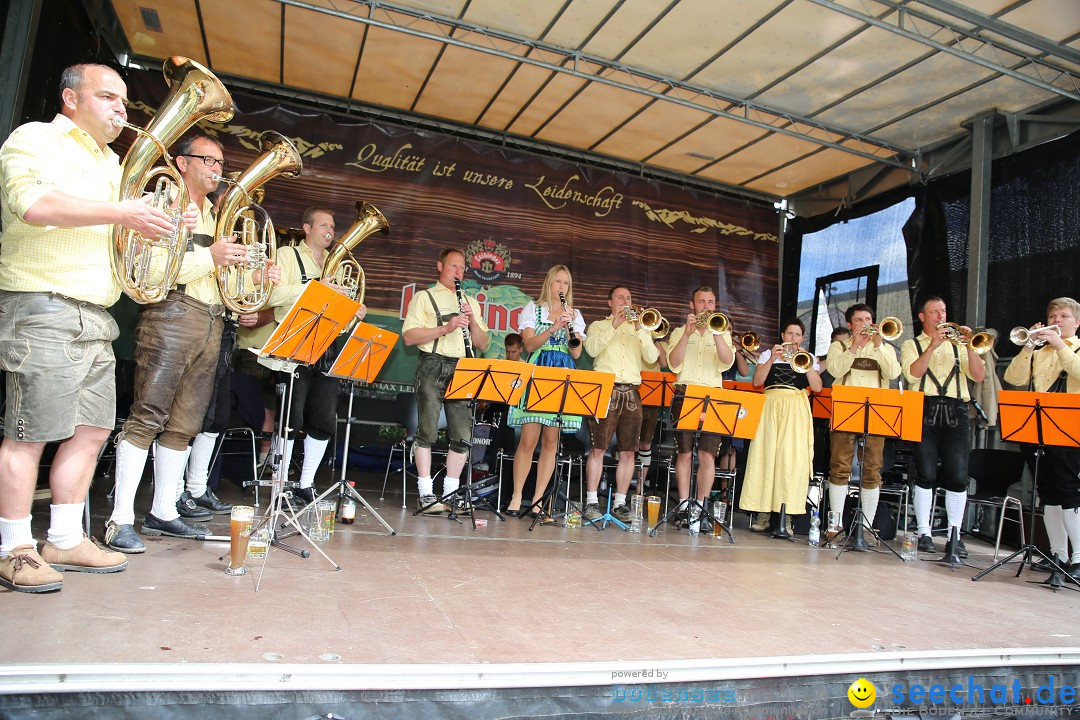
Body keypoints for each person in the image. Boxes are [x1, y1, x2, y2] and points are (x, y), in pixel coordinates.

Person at [0, 63, 198, 591]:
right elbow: (32, 205)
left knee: (90, 433)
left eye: (125, 102)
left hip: (98, 314)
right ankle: (14, 547)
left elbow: (137, 260)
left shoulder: (117, 165)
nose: (121, 110)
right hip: (42, 303)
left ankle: (64, 538)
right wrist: (122, 211)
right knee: (29, 434)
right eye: (108, 97)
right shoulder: (37, 139)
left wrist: (169, 231)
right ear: (70, 99)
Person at [105, 133, 278, 553]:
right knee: (147, 415)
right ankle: (119, 519)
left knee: (185, 424)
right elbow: (148, 267)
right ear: (182, 163)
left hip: (212, 321)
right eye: (209, 160)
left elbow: (223, 279)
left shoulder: (217, 217)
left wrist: (255, 278)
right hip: (172, 313)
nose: (217, 169)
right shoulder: (163, 205)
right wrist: (211, 257)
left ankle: (163, 512)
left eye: (221, 162)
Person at [262, 207, 367, 505]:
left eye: (333, 225)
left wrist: (353, 312)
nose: (330, 230)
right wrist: (316, 288)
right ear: (306, 228)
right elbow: (273, 296)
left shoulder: (340, 265)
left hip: (328, 346)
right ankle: (280, 486)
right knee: (290, 420)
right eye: (323, 224)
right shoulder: (287, 255)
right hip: (295, 344)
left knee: (323, 420)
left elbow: (342, 318)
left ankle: (306, 484)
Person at [402, 248, 489, 513]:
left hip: (462, 367)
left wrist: (472, 321)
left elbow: (483, 343)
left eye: (462, 268)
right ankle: (426, 493)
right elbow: (409, 337)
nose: (458, 272)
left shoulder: (471, 302)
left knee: (462, 435)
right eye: (453, 266)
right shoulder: (424, 297)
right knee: (427, 429)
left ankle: (451, 493)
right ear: (440, 266)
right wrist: (447, 327)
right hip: (432, 363)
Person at [900, 297, 986, 556]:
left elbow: (979, 376)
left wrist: (970, 346)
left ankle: (954, 535)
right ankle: (924, 532)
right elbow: (913, 374)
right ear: (922, 317)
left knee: (958, 475)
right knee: (925, 473)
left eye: (943, 311)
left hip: (956, 411)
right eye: (934, 312)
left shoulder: (959, 345)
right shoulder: (911, 344)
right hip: (924, 409)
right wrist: (932, 347)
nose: (940, 316)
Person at [1003, 297, 1080, 573]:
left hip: (1069, 430)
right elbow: (1014, 378)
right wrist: (1028, 346)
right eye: (1053, 317)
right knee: (1048, 493)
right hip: (1037, 429)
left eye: (1064, 316)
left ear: (1077, 323)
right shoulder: (1039, 351)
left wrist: (1060, 345)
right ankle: (1057, 555)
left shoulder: (1076, 348)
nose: (1056, 321)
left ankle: (1079, 558)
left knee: (1070, 492)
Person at [504, 265, 585, 518]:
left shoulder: (575, 314)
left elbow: (577, 353)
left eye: (566, 283)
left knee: (551, 442)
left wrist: (569, 326)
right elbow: (528, 344)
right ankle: (517, 497)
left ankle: (538, 501)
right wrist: (553, 327)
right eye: (558, 282)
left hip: (562, 374)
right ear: (548, 283)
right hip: (538, 369)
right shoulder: (534, 309)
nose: (562, 287)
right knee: (528, 441)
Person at [581, 287, 659, 523]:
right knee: (598, 448)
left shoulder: (640, 329)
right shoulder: (599, 326)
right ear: (610, 303)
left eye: (629, 298)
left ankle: (620, 503)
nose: (626, 302)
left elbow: (653, 357)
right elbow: (591, 350)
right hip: (606, 389)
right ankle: (592, 501)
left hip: (632, 392)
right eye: (620, 298)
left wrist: (640, 330)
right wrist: (614, 325)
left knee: (628, 451)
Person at [825, 304, 901, 540]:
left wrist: (878, 344)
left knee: (872, 471)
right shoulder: (838, 346)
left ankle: (866, 528)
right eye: (859, 320)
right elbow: (835, 369)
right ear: (850, 324)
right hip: (846, 410)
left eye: (868, 319)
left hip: (876, 413)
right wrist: (855, 346)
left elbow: (893, 373)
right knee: (839, 468)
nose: (865, 324)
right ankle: (834, 525)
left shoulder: (885, 348)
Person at [739, 319, 822, 534]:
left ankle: (785, 517)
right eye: (789, 334)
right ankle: (763, 513)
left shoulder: (808, 358)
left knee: (790, 461)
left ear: (802, 338)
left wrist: (806, 362)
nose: (793, 338)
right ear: (783, 336)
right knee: (765, 458)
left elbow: (817, 387)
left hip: (795, 410)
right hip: (770, 408)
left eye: (797, 335)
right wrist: (772, 359)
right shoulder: (768, 355)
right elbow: (757, 382)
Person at [664, 286, 735, 528]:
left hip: (713, 395)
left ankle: (702, 507)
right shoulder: (679, 331)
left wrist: (716, 332)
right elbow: (673, 364)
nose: (706, 306)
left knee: (707, 455)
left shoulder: (723, 332)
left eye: (711, 302)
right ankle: (684, 505)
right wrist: (686, 334)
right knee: (684, 453)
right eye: (701, 302)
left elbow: (727, 362)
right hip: (685, 393)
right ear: (692, 305)